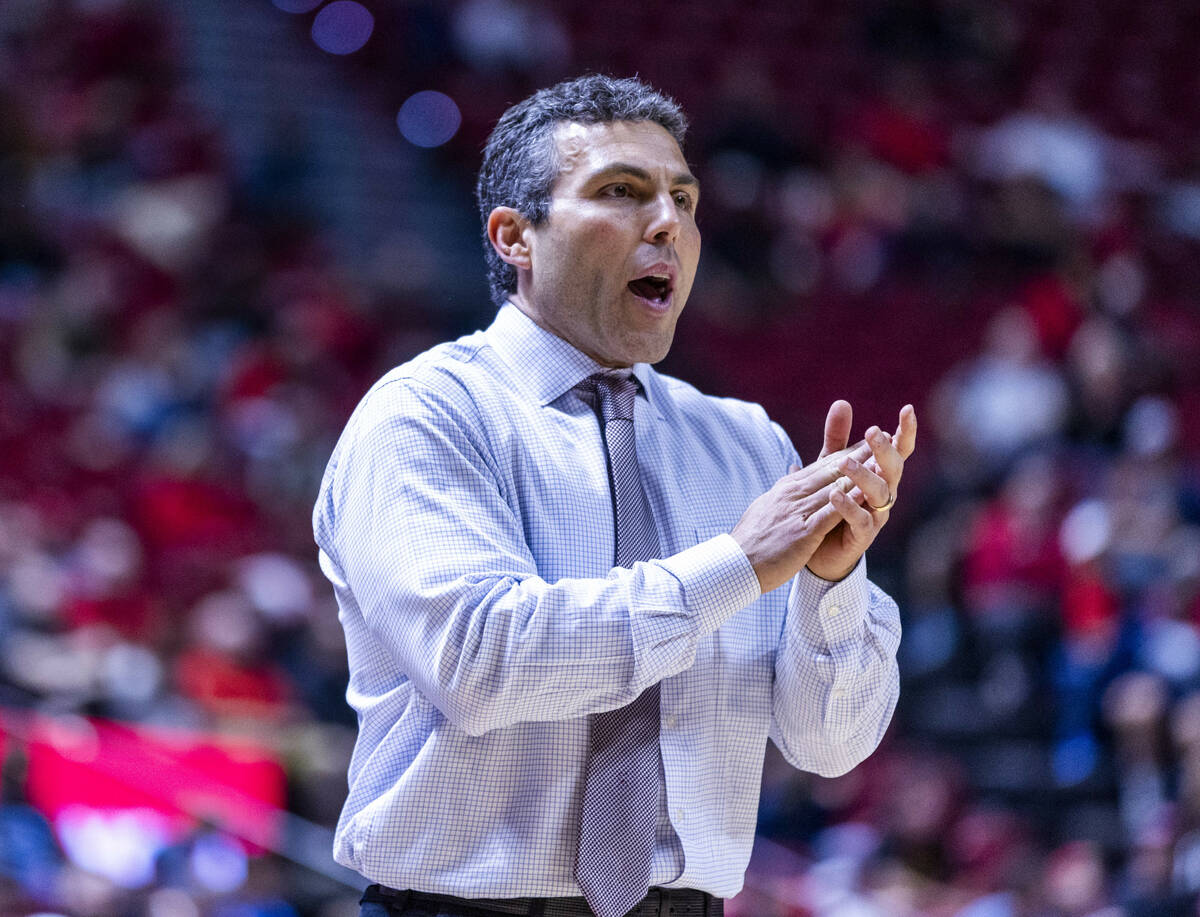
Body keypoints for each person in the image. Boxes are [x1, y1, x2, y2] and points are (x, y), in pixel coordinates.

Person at [314, 74, 917, 917]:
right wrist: (737, 564)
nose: (668, 223)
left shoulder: (749, 444)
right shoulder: (426, 415)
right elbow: (482, 661)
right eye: (622, 192)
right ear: (515, 235)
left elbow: (831, 743)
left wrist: (829, 582)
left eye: (682, 197)